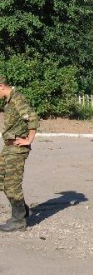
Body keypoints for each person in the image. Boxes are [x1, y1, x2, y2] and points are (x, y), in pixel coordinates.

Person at [0, 75, 38, 232]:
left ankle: (18, 220)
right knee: (2, 179)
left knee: (11, 184)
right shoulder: (9, 100)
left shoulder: (17, 99)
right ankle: (21, 209)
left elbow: (33, 118)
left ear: (1, 86)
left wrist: (29, 140)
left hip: (17, 148)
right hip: (8, 147)